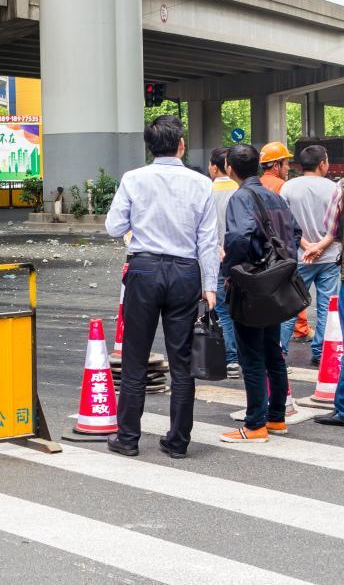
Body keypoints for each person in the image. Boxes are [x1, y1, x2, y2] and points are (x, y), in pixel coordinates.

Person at [105, 115, 218, 459]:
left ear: (149, 146)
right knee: (181, 360)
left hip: (144, 269)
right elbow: (209, 240)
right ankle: (177, 441)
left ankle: (127, 438)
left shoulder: (134, 179)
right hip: (185, 272)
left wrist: (138, 224)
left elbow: (113, 226)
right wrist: (210, 286)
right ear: (181, 144)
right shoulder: (200, 183)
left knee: (135, 357)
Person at [221, 144, 301, 443]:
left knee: (251, 355)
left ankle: (255, 424)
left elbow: (240, 236)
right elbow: (294, 232)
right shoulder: (275, 196)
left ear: (230, 167)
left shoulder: (240, 197)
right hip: (277, 282)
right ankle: (276, 418)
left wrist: (231, 269)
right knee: (272, 352)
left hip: (253, 283)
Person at [278, 145, 339, 366]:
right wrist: (319, 247)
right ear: (322, 163)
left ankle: (280, 351)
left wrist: (305, 245)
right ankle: (321, 352)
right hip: (329, 257)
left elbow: (285, 223)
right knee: (326, 306)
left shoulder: (288, 188)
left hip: (299, 256)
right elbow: (338, 226)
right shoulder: (335, 188)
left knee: (290, 305)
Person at [259, 141, 311, 342]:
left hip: (264, 252)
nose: (288, 167)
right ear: (275, 165)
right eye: (286, 163)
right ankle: (300, 329)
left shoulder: (256, 185)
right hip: (284, 250)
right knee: (294, 290)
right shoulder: (283, 186)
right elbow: (291, 224)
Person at [209, 147, 240, 379]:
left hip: (214, 256)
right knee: (242, 306)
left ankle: (231, 359)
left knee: (222, 308)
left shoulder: (206, 190)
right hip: (240, 256)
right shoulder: (242, 189)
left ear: (214, 166)